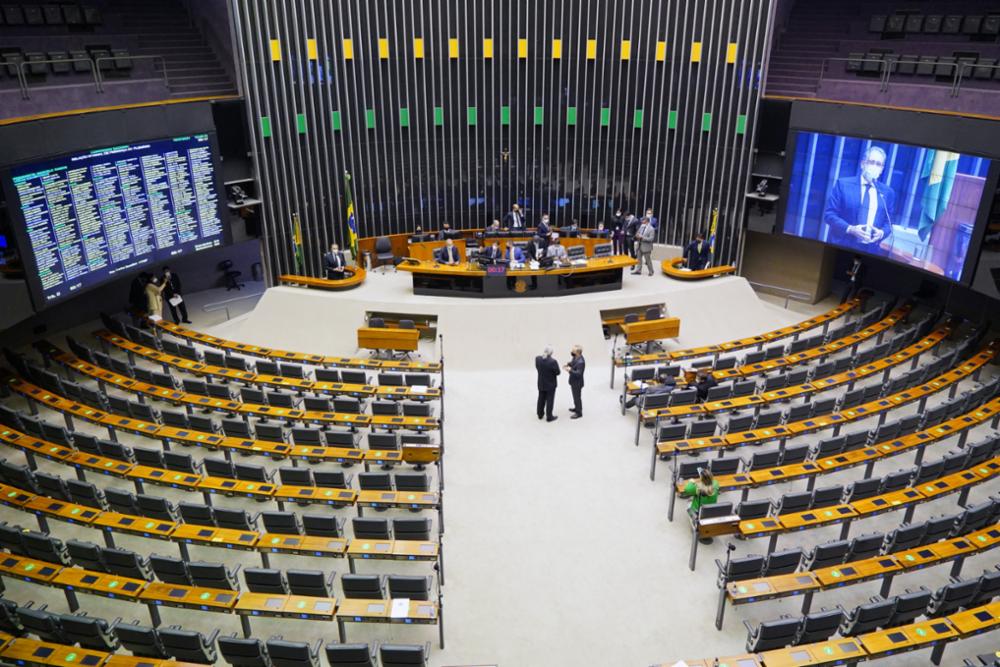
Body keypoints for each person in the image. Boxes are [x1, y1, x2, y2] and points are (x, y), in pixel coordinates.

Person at [823, 145, 895, 255]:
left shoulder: (887, 193)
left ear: (882, 169)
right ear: (863, 164)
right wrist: (851, 229)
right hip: (841, 246)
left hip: (871, 250)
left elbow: (888, 223)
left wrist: (881, 233)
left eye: (878, 164)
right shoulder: (843, 185)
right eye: (871, 162)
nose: (874, 166)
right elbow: (829, 215)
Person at [680, 468, 721, 543]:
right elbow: (712, 483)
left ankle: (695, 525)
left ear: (701, 479)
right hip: (710, 512)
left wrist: (691, 482)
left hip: (698, 513)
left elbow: (687, 489)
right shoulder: (716, 484)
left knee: (689, 502)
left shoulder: (698, 488)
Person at [535, 346, 560, 422]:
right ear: (551, 353)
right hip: (550, 384)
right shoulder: (553, 362)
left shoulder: (537, 359)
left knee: (541, 399)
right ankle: (549, 416)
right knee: (550, 400)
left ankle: (540, 414)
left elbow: (537, 368)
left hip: (541, 383)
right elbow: (558, 372)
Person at [565, 345, 585, 419]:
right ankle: (576, 408)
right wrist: (569, 364)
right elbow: (573, 362)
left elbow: (579, 374)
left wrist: (570, 370)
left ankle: (579, 413)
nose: (572, 352)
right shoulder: (575, 357)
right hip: (573, 381)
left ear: (578, 352)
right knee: (575, 397)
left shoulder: (581, 362)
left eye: (573, 351)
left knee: (577, 398)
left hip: (577, 383)